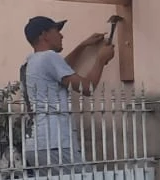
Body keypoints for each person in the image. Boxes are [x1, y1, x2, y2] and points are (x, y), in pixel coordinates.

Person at [20, 16, 115, 171]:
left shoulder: (32, 61)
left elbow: (62, 69)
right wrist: (100, 60)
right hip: (55, 143)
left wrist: (82, 46)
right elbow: (87, 88)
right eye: (57, 31)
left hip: (37, 145)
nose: (61, 35)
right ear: (44, 35)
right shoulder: (49, 57)